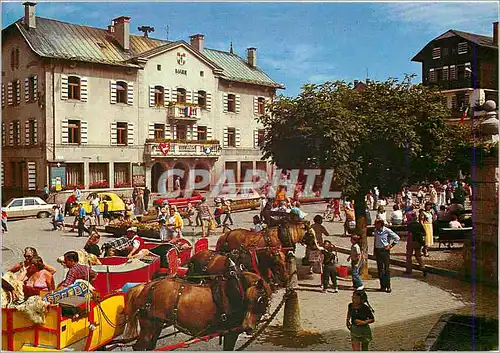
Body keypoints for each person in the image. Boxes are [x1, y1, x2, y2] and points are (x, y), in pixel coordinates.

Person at [373, 219, 400, 293]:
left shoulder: (387, 230)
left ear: (380, 224)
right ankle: (382, 286)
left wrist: (391, 245)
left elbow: (397, 238)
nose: (375, 225)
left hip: (385, 251)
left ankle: (388, 286)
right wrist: (374, 251)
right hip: (378, 251)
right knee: (380, 269)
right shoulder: (376, 231)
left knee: (386, 269)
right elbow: (375, 240)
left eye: (376, 224)